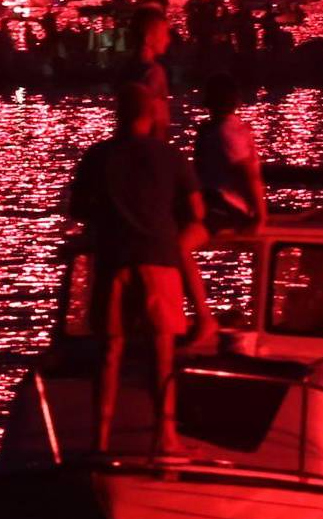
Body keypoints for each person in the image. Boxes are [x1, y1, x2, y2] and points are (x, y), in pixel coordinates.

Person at [66, 80, 215, 456]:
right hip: (160, 260)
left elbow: (79, 210)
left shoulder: (97, 157)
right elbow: (197, 211)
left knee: (109, 353)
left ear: (118, 114)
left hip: (114, 259)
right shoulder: (171, 157)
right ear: (151, 115)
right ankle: (163, 438)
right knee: (161, 352)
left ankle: (99, 440)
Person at [195, 75, 267, 231]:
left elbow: (247, 173)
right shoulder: (217, 130)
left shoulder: (226, 133)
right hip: (220, 203)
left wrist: (260, 218)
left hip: (227, 207)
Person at [122, 4, 172, 123]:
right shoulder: (154, 72)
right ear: (149, 37)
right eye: (164, 33)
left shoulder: (125, 69)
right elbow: (157, 120)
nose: (168, 39)